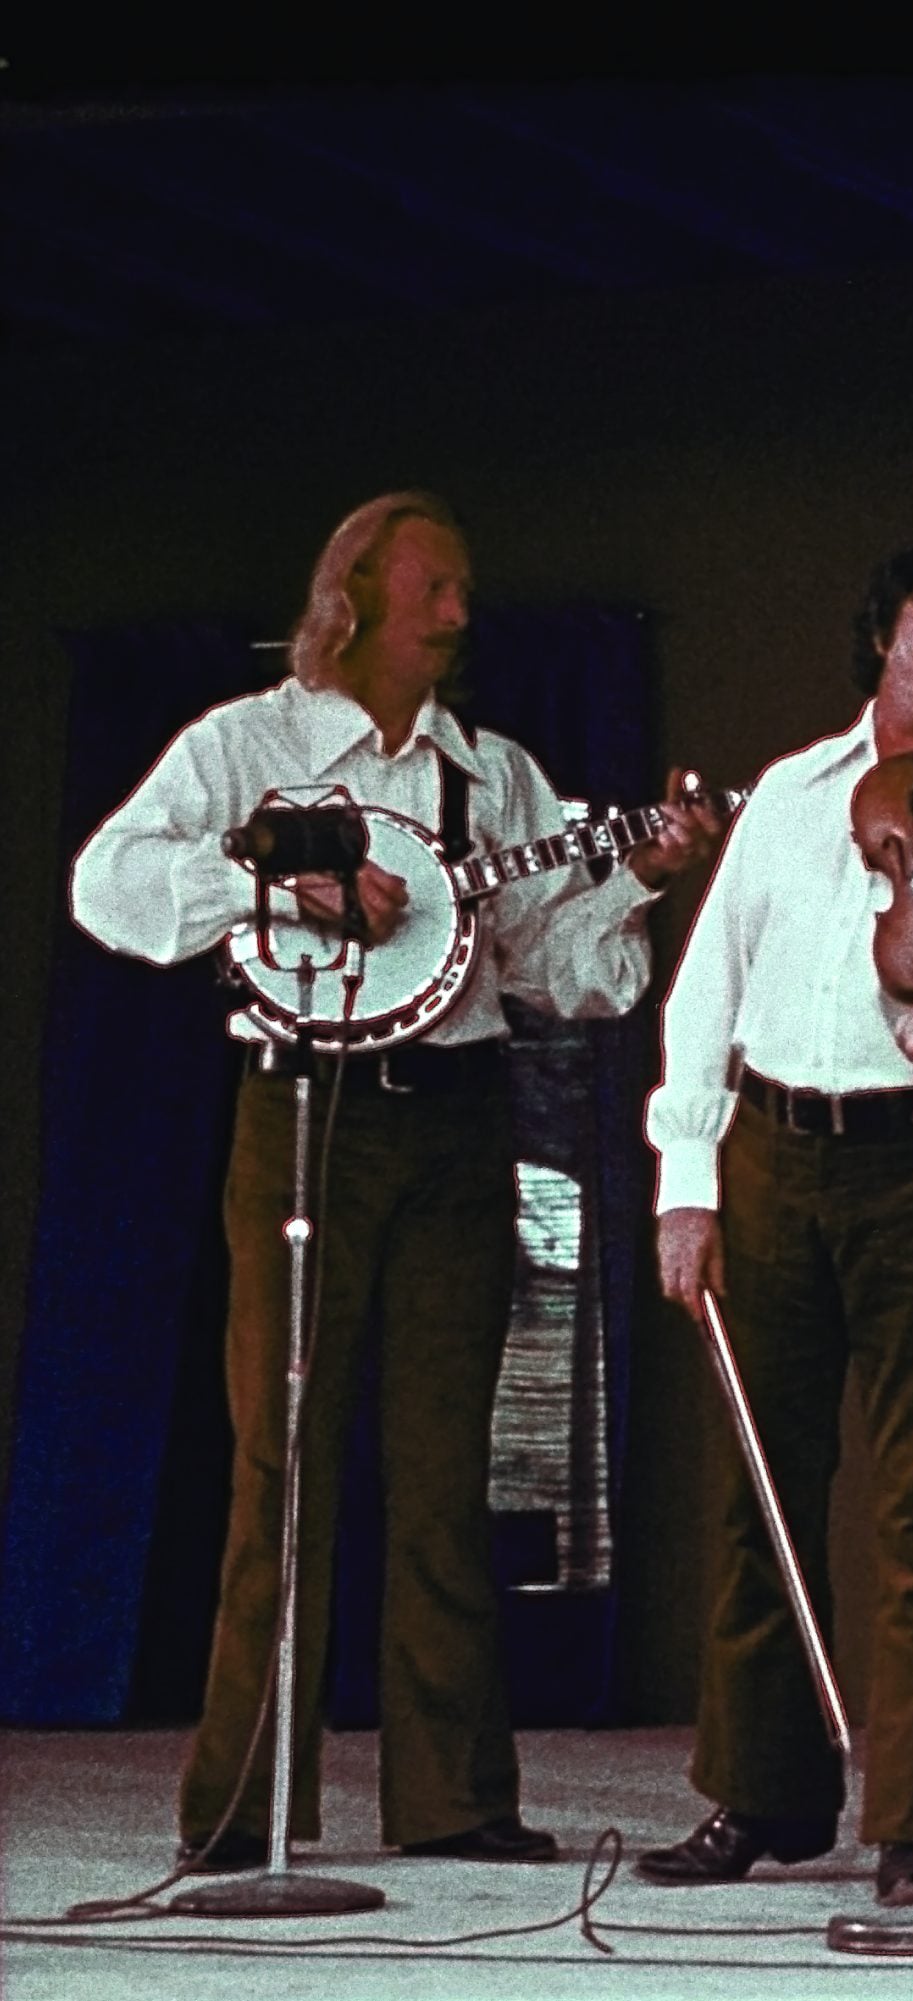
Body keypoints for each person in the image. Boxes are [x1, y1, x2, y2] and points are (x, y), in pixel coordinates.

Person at [67, 490, 722, 1872]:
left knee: (443, 1469)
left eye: (467, 589)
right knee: (279, 1458)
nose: (461, 613)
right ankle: (242, 1808)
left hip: (457, 1117)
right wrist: (280, 889)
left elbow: (570, 972)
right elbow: (109, 881)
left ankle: (455, 1798)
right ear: (354, 592)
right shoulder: (251, 745)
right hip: (303, 1113)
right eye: (437, 585)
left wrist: (642, 877)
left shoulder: (493, 774)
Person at [639, 530, 913, 1907]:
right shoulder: (788, 791)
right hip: (775, 1148)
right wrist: (687, 1180)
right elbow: (707, 986)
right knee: (758, 1496)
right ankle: (763, 1792)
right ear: (889, 625)